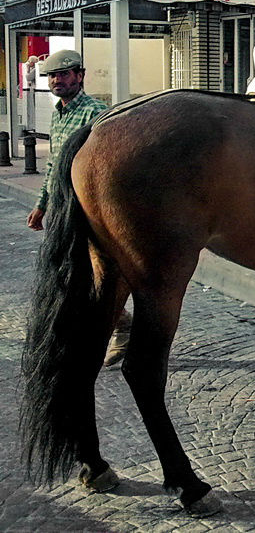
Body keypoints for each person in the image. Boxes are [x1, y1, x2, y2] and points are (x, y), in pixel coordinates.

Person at [26, 49, 131, 366]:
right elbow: (53, 166)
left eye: (64, 74)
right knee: (70, 273)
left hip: (88, 208)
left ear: (80, 76)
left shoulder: (97, 114)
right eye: (53, 76)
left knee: (92, 274)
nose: (57, 80)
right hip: (62, 208)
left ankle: (118, 329)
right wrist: (42, 204)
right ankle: (120, 326)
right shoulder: (58, 113)